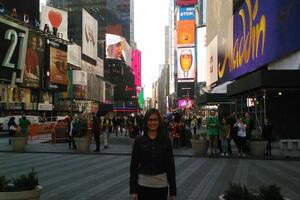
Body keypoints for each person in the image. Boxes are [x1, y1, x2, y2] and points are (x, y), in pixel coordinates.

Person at [130, 108, 177, 200]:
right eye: (150, 120)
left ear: (159, 121)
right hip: (143, 185)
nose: (153, 123)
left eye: (155, 120)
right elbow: (134, 166)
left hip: (161, 186)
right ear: (146, 121)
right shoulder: (139, 141)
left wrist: (173, 192)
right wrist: (133, 190)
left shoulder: (165, 141)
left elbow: (170, 166)